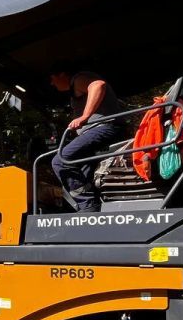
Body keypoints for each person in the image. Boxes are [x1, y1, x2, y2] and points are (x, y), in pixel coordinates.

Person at [48, 67, 127, 212]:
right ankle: (91, 205)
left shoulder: (78, 79)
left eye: (52, 79)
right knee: (82, 168)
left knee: (61, 160)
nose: (52, 84)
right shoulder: (75, 89)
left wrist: (84, 117)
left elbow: (98, 85)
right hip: (102, 129)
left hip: (104, 127)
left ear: (62, 73)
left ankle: (88, 205)